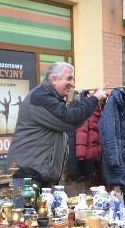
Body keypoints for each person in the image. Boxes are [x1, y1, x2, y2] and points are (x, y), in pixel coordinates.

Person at [6, 62, 107, 202]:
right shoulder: (40, 97)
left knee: (41, 220)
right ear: (54, 79)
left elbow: (70, 116)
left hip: (39, 173)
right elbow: (70, 120)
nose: (73, 83)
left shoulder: (50, 98)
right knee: (25, 221)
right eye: (69, 78)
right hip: (28, 176)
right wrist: (95, 99)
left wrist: (87, 100)